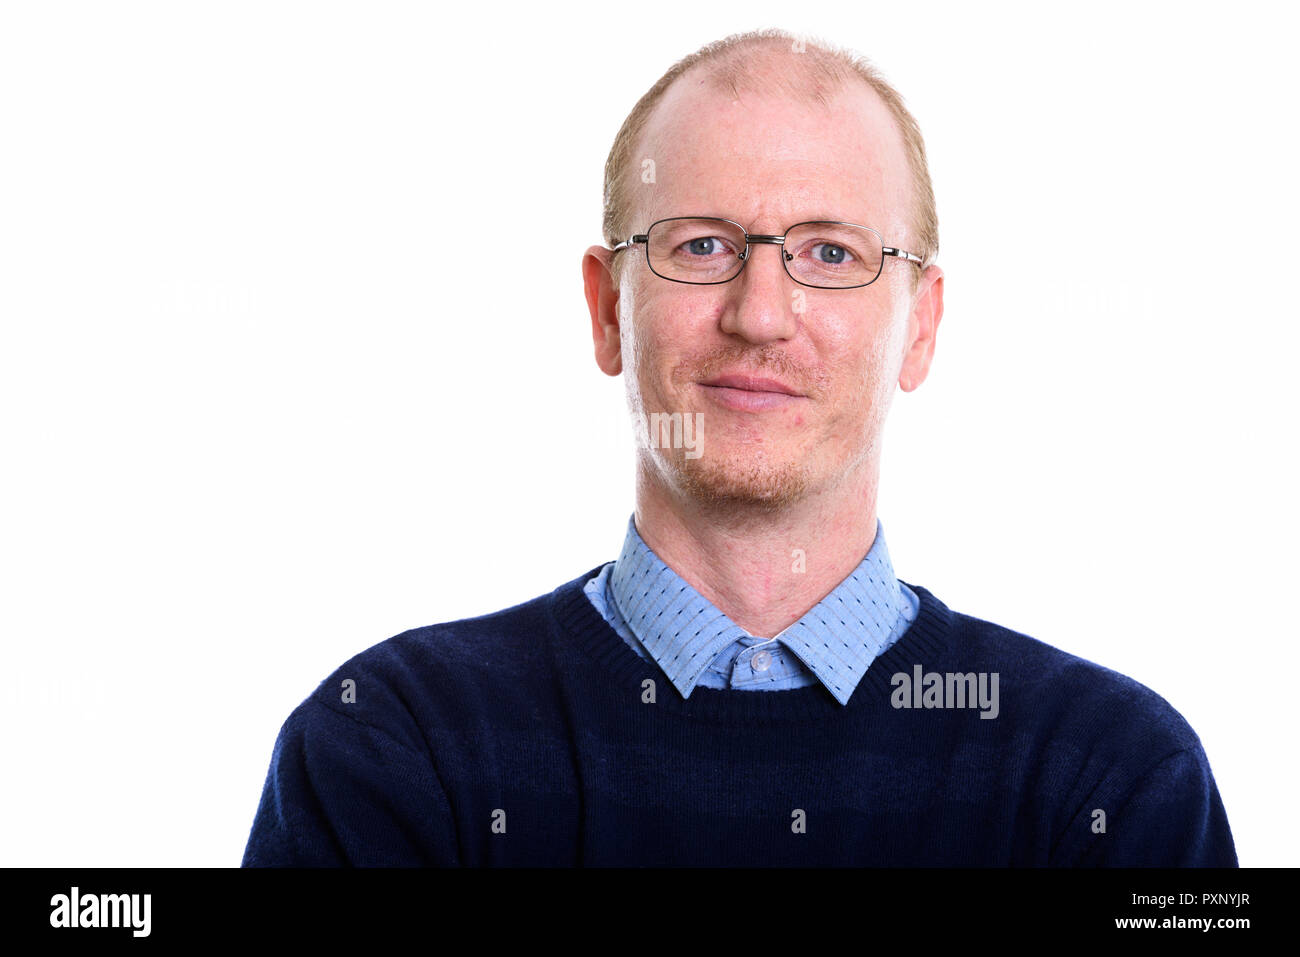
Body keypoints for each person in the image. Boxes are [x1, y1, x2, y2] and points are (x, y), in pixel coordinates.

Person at [241, 28, 1236, 867]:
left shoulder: (1108, 781)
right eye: (701, 245)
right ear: (606, 311)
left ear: (921, 327)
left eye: (830, 253)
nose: (761, 315)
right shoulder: (396, 748)